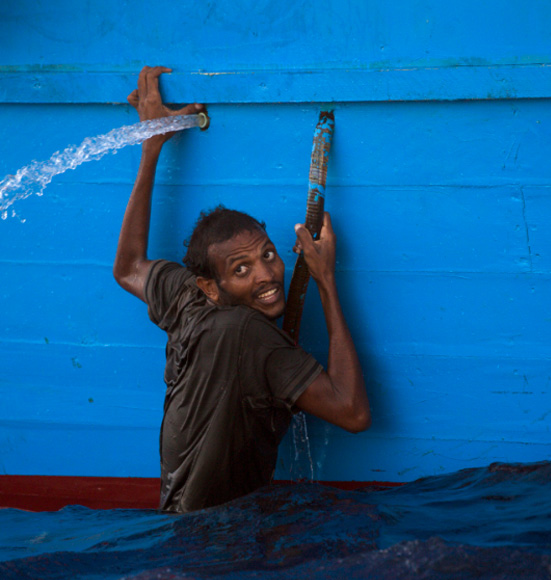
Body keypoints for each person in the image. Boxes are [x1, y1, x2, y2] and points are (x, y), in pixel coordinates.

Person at [114, 66, 370, 513]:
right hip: (221, 542)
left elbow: (128, 267)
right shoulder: (250, 335)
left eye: (268, 255)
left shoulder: (187, 299)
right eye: (242, 269)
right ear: (212, 287)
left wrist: (151, 144)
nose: (267, 276)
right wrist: (327, 281)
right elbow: (353, 413)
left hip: (178, 526)